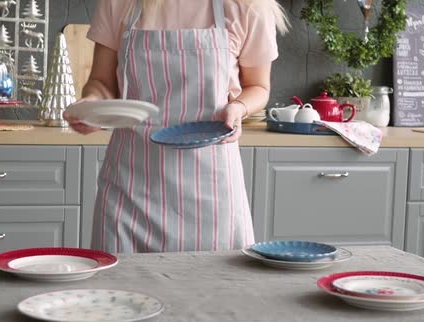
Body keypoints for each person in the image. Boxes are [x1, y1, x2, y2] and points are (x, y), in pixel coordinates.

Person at [64, 0, 289, 253]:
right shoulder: (120, 3)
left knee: (216, 285)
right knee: (121, 287)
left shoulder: (246, 6)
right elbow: (101, 82)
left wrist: (238, 108)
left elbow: (258, 87)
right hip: (131, 184)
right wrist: (92, 106)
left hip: (211, 189)